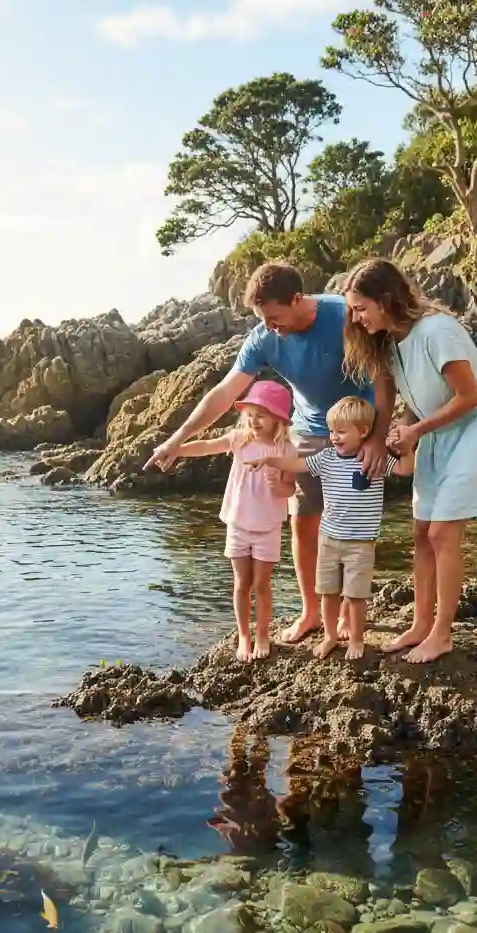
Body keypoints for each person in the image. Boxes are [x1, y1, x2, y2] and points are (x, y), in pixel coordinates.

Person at [145, 262, 395, 645]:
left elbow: (382, 375)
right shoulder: (263, 338)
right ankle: (312, 611)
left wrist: (377, 437)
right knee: (303, 520)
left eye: (275, 317)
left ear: (298, 299)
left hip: (357, 430)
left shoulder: (342, 314)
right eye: (264, 319)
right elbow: (226, 393)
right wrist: (177, 439)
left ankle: (347, 609)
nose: (271, 326)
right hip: (310, 432)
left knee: (350, 522)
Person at [342, 257, 477, 664]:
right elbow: (415, 401)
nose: (355, 317)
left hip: (474, 434)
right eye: (351, 309)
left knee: (441, 535)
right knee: (420, 534)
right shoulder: (390, 343)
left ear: (385, 300)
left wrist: (416, 431)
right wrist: (401, 432)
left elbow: (469, 398)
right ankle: (420, 624)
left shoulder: (438, 330)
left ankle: (442, 633)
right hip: (436, 437)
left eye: (360, 308)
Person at [247, 396, 415, 660]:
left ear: (363, 431)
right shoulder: (325, 457)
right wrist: (269, 459)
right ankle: (329, 636)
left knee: (356, 595)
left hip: (360, 541)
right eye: (331, 431)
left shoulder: (374, 458)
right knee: (327, 591)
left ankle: (357, 639)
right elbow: (296, 464)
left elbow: (405, 469)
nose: (333, 437)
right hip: (328, 538)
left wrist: (406, 446)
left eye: (340, 432)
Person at [172, 380, 297, 662]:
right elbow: (205, 446)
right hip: (238, 524)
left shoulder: (286, 450)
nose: (254, 421)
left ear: (279, 419)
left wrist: (278, 485)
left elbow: (290, 489)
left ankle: (263, 633)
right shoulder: (239, 439)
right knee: (241, 583)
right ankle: (244, 635)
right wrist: (176, 449)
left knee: (262, 585)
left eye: (262, 415)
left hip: (268, 527)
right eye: (250, 415)